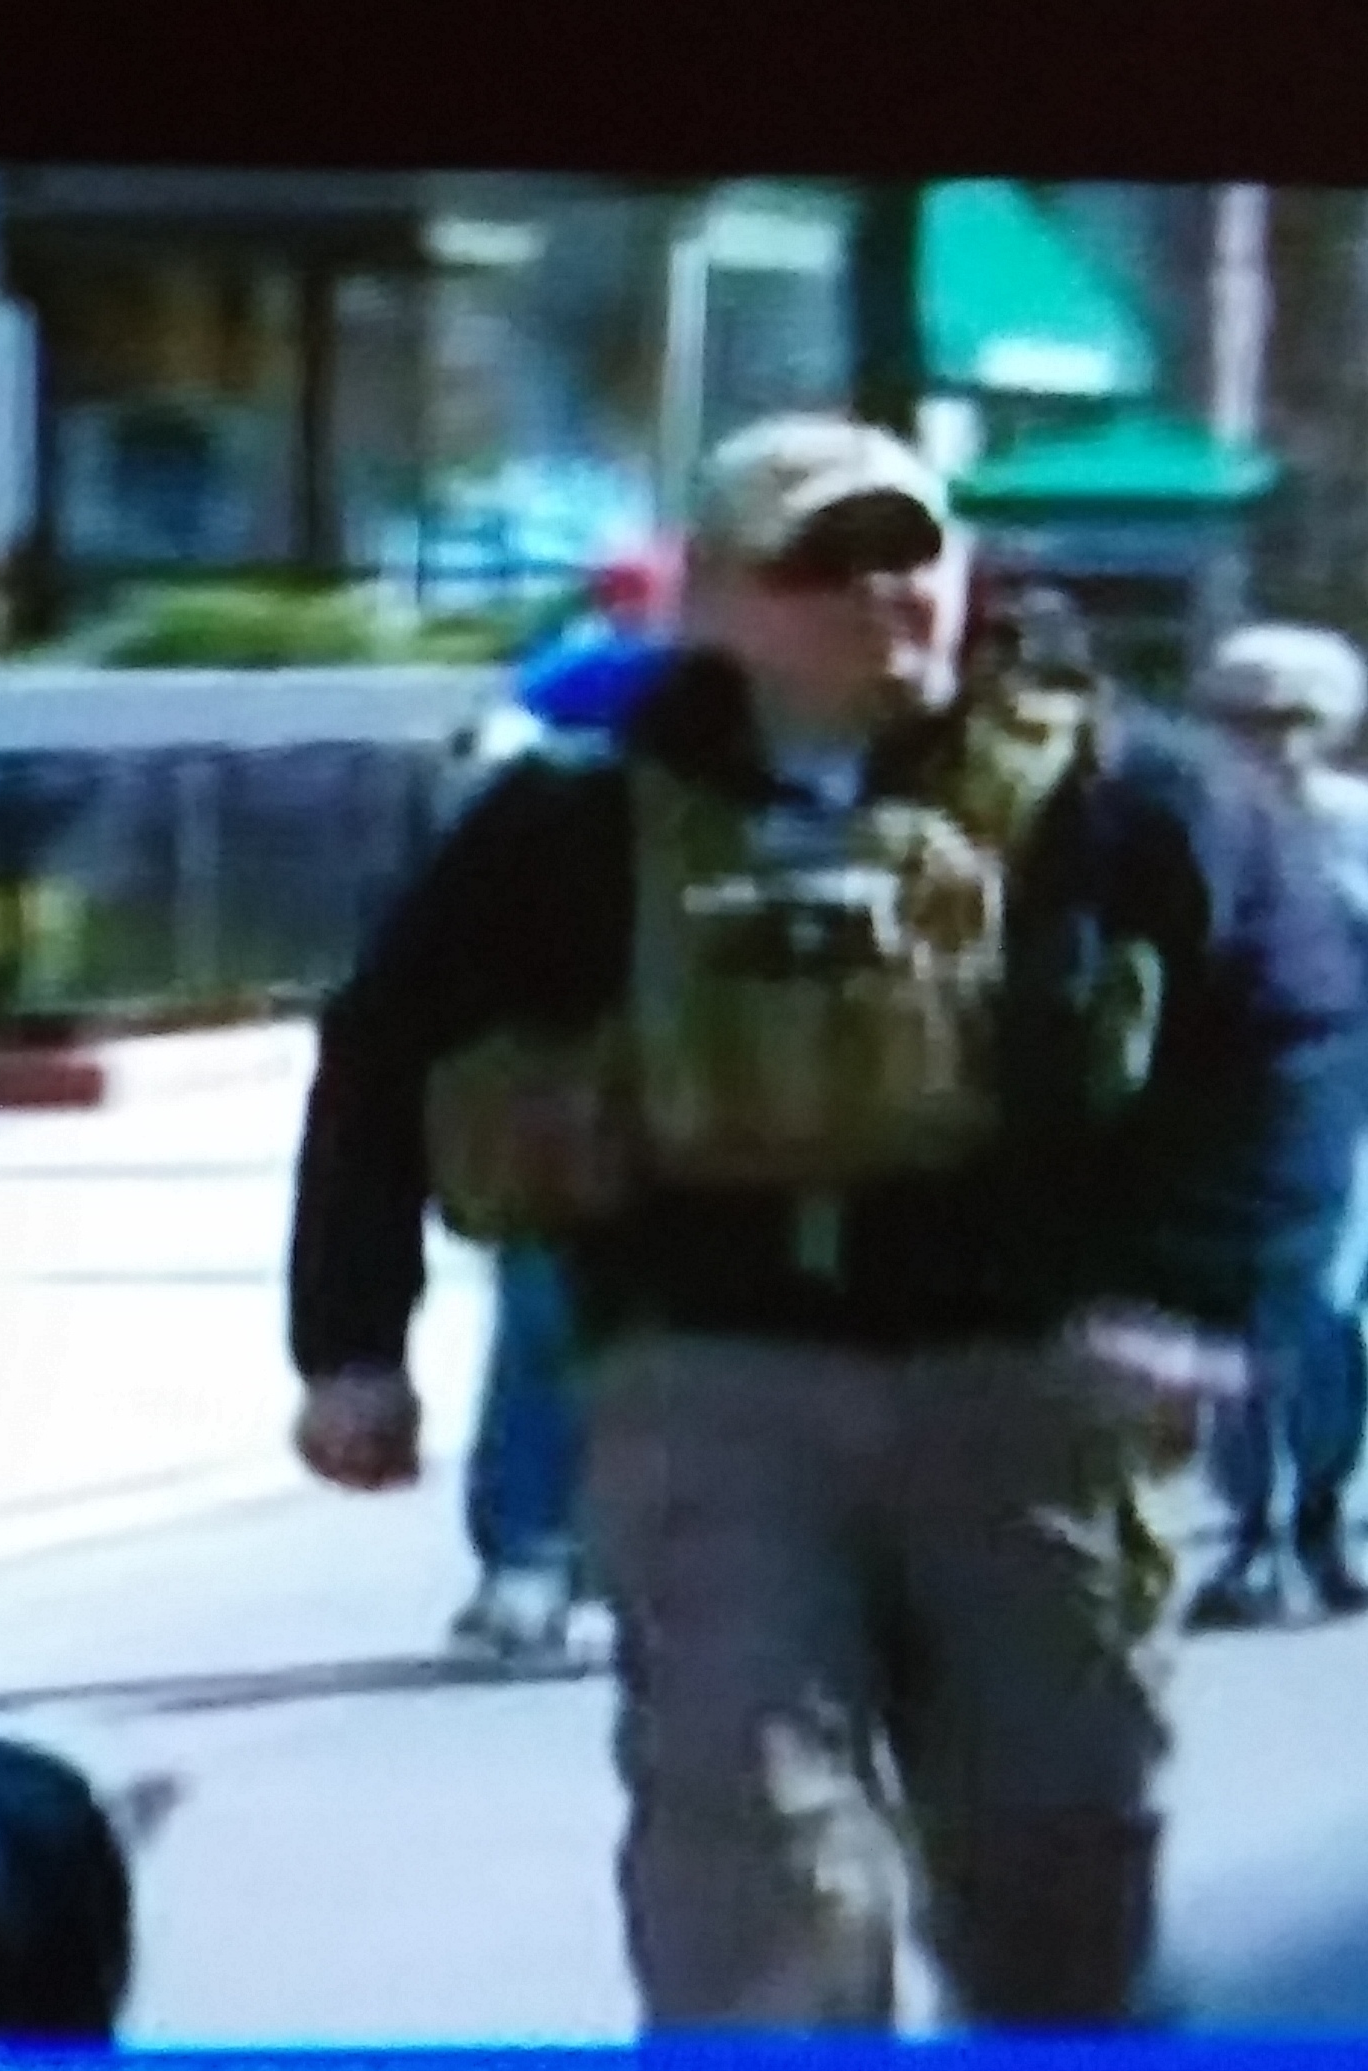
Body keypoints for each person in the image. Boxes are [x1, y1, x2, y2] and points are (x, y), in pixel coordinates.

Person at [285, 414, 1366, 2033]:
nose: (881, 593)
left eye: (907, 552)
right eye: (821, 562)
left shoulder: (1134, 796)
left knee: (1054, 1855)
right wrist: (349, 1347)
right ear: (715, 599)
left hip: (1037, 1386)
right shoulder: (574, 821)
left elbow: (1293, 1032)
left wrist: (1196, 1297)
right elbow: (382, 1054)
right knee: (752, 1842)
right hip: (709, 1381)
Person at [447, 616, 679, 1659]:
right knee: (549, 1317)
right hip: (564, 1085)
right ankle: (533, 1551)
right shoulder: (587, 694)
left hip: (706, 1095)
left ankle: (590, 1555)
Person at [1183, 622, 1368, 1628]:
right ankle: (1249, 1534)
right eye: (1247, 719)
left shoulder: (1357, 829)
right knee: (1242, 1325)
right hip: (1234, 1115)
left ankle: (1322, 1521)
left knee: (1326, 1315)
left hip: (1350, 1108)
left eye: (1294, 718)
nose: (1272, 741)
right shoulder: (1194, 822)